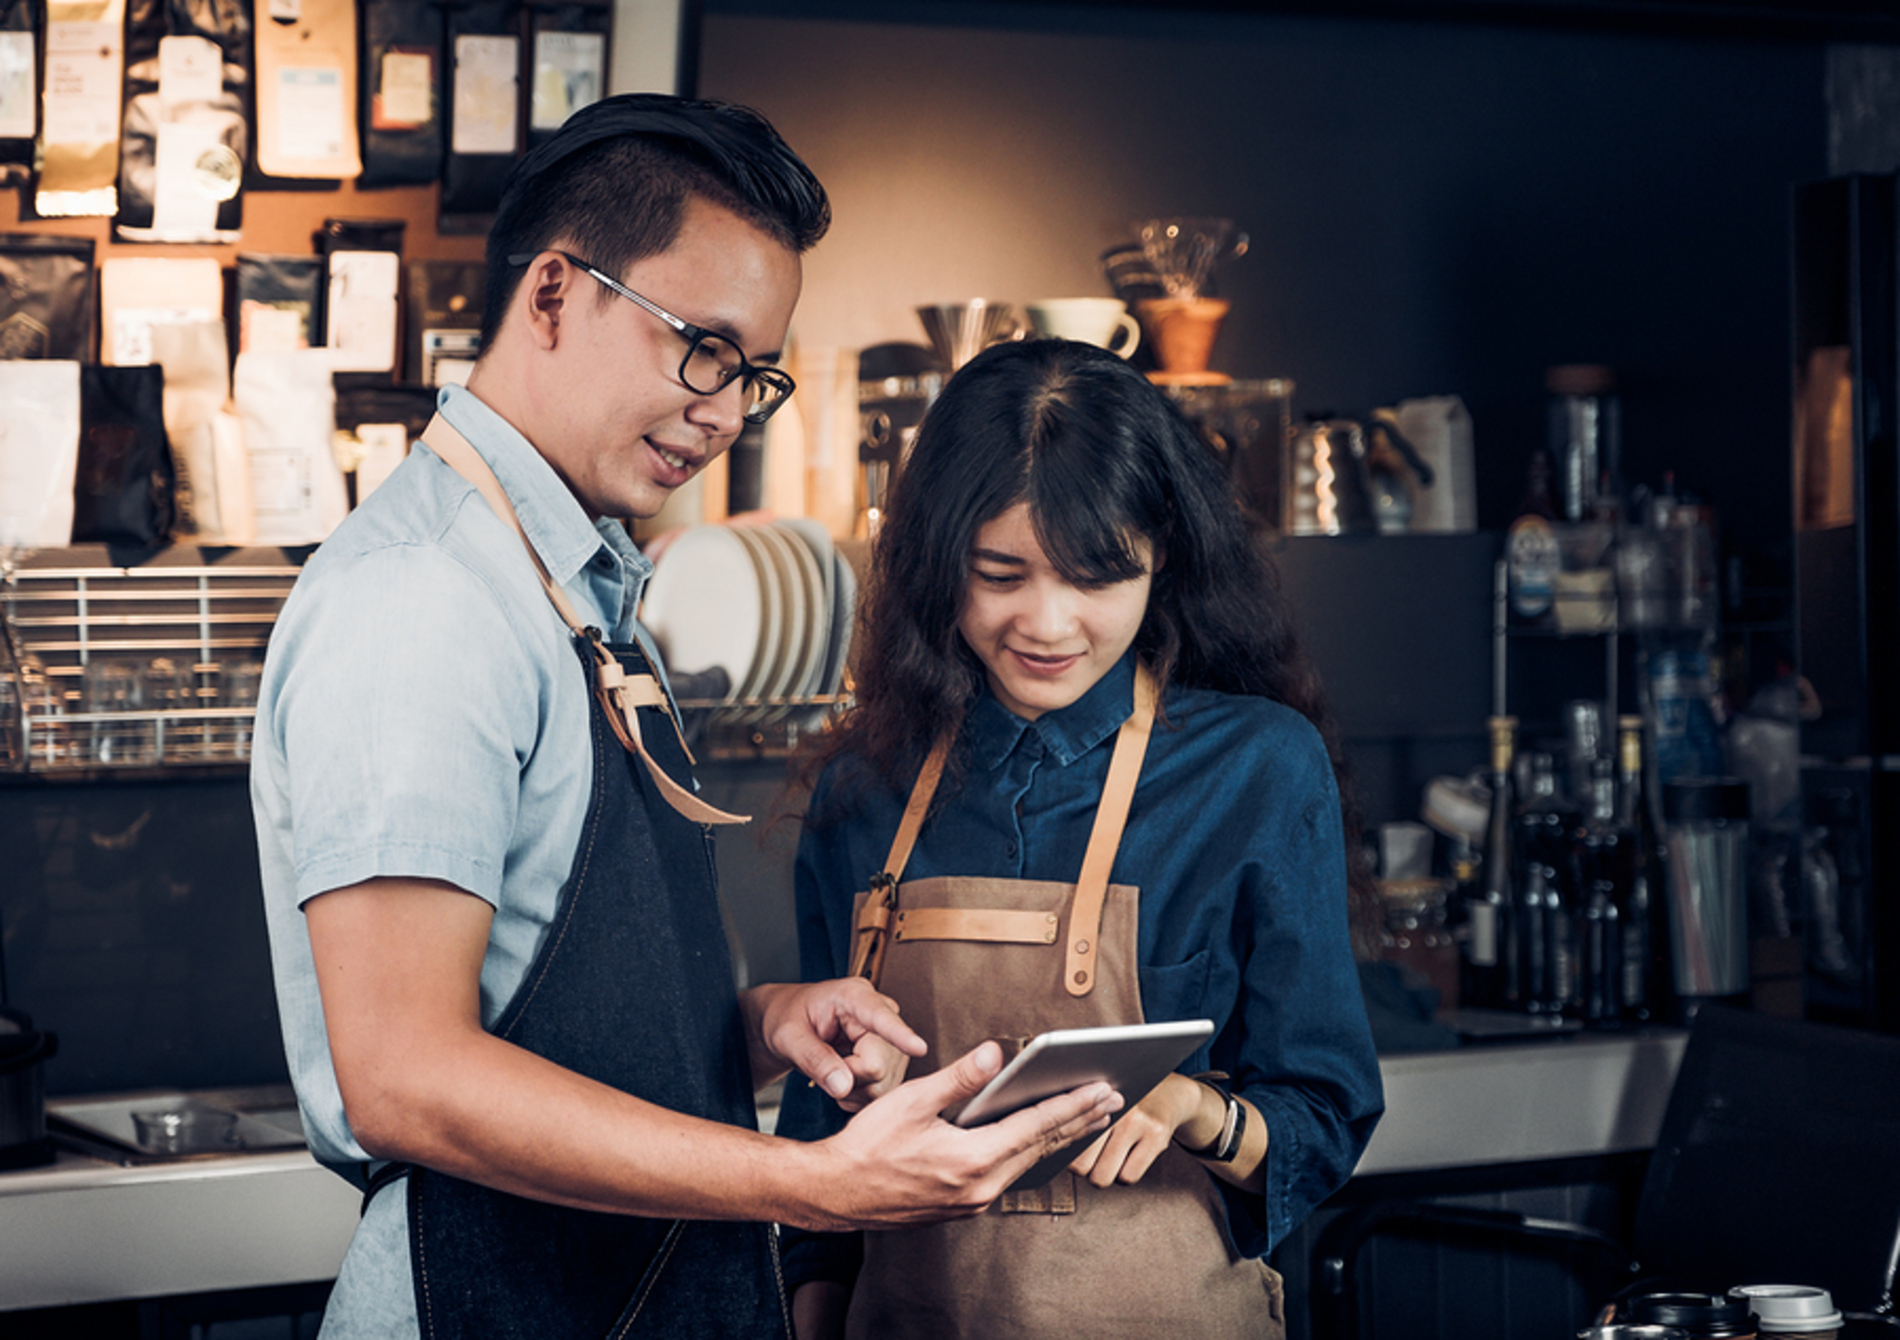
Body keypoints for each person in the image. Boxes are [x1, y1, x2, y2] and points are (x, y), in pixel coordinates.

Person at [251, 94, 1121, 1340]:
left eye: (754, 375)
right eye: (701, 348)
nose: (724, 413)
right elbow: (405, 1078)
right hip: (491, 1296)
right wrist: (814, 1179)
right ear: (554, 293)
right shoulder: (424, 599)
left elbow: (555, 1001)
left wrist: (754, 1024)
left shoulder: (575, 587)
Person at [777, 338, 1386, 1339]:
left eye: (1096, 575)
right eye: (1001, 573)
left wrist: (1196, 1110)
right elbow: (821, 1125)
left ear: (1162, 560)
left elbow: (1323, 1112)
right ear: (940, 566)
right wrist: (810, 1313)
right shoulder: (862, 787)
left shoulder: (1255, 769)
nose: (1047, 622)